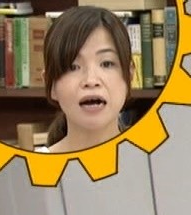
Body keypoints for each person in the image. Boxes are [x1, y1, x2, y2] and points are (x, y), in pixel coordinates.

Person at [39, 5, 132, 153]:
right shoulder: (30, 166)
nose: (91, 81)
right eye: (73, 67)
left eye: (106, 63)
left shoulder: (155, 161)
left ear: (130, 76)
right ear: (51, 85)